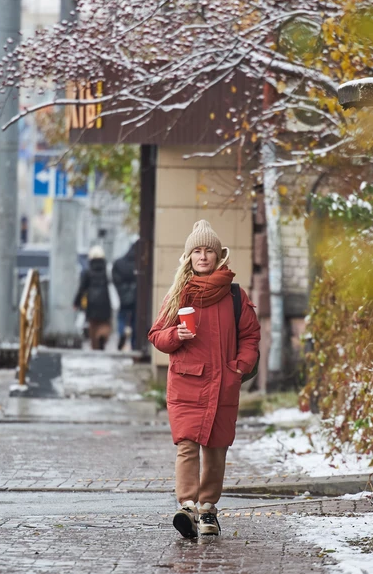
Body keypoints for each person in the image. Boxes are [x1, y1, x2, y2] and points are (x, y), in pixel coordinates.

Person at [148, 220, 260, 540]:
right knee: (187, 445)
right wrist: (176, 335)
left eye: (208, 251)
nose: (202, 256)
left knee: (216, 448)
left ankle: (208, 509)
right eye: (196, 251)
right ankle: (187, 506)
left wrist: (239, 367)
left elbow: (250, 336)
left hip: (223, 383)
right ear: (189, 257)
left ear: (218, 256)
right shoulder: (179, 293)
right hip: (186, 383)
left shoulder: (235, 295)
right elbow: (157, 335)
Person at [74, 246, 113, 350]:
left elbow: (82, 288)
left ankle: (95, 345)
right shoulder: (107, 271)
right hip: (105, 300)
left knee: (93, 324)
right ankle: (102, 335)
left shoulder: (87, 272)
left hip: (91, 301)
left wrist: (76, 302)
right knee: (105, 322)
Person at [112, 240, 139, 351]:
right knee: (135, 321)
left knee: (122, 317)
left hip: (123, 297)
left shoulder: (120, 263)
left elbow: (115, 278)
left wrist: (122, 291)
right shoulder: (139, 265)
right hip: (136, 298)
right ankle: (133, 344)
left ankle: (122, 331)